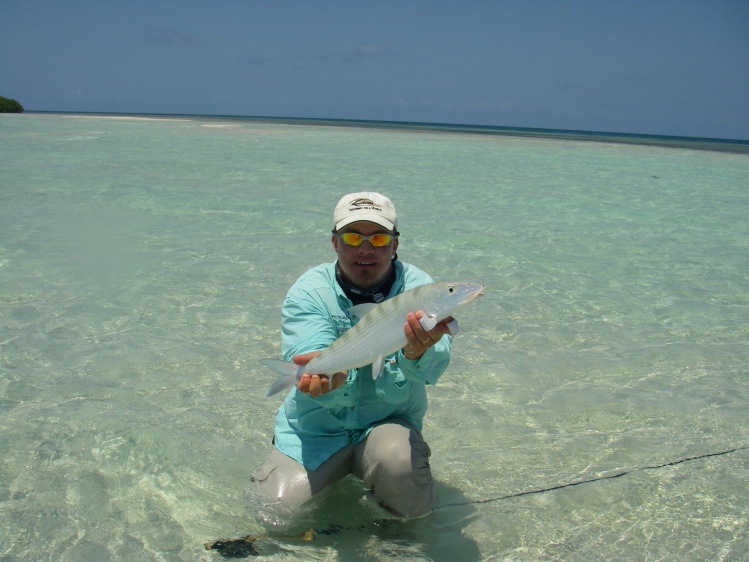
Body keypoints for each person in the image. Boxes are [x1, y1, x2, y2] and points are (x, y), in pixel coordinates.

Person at [251, 192, 454, 522]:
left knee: (405, 489)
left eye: (377, 237)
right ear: (334, 243)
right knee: (271, 516)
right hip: (314, 432)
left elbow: (432, 369)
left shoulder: (420, 288)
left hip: (386, 426)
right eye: (351, 237)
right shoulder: (309, 291)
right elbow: (308, 350)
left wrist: (416, 351)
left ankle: (393, 542)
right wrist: (323, 378)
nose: (365, 249)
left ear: (394, 244)